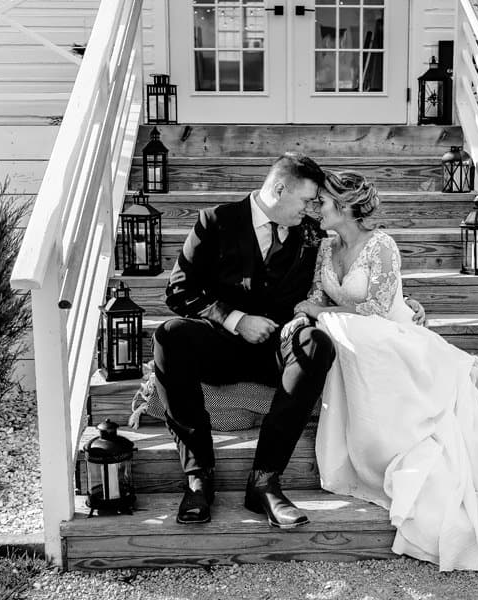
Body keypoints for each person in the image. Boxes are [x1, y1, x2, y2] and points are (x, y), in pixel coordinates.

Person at [288, 170, 478, 572]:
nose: (314, 209)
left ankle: (392, 440)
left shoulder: (382, 245)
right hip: (356, 332)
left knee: (356, 333)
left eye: (321, 202)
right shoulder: (325, 246)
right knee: (341, 332)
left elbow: (373, 309)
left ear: (346, 206)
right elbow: (319, 295)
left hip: (389, 335)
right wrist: (308, 310)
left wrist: (318, 311)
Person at [154, 153, 424, 529]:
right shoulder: (216, 221)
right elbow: (178, 290)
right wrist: (236, 320)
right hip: (222, 343)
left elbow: (343, 284)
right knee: (170, 335)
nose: (312, 208)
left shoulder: (312, 233)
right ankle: (199, 477)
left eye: (317, 202)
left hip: (279, 349)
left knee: (317, 343)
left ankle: (264, 481)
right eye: (306, 200)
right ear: (279, 189)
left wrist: (401, 302)